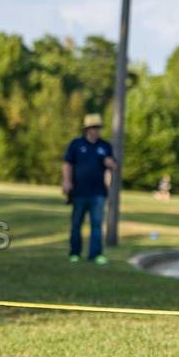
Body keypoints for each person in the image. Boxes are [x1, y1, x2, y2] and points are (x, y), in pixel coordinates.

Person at [62, 113, 117, 264]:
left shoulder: (105, 146)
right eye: (94, 127)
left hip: (98, 192)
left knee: (97, 224)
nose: (96, 130)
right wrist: (67, 182)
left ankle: (96, 254)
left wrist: (110, 163)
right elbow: (67, 164)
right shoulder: (76, 144)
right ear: (87, 129)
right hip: (79, 191)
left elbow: (113, 165)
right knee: (76, 223)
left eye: (98, 127)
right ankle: (75, 253)